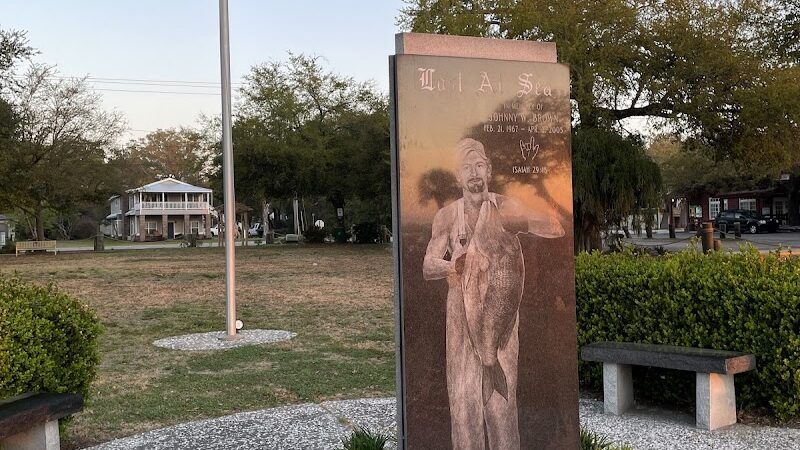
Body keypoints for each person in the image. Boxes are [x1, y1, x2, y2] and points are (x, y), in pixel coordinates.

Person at [422, 138, 564, 449]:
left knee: (502, 405)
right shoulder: (447, 216)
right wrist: (452, 266)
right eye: (466, 168)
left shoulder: (507, 205)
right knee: (464, 404)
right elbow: (428, 265)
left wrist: (522, 221)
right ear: (458, 176)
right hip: (460, 316)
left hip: (500, 315)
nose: (473, 173)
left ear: (489, 170)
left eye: (479, 166)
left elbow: (556, 228)